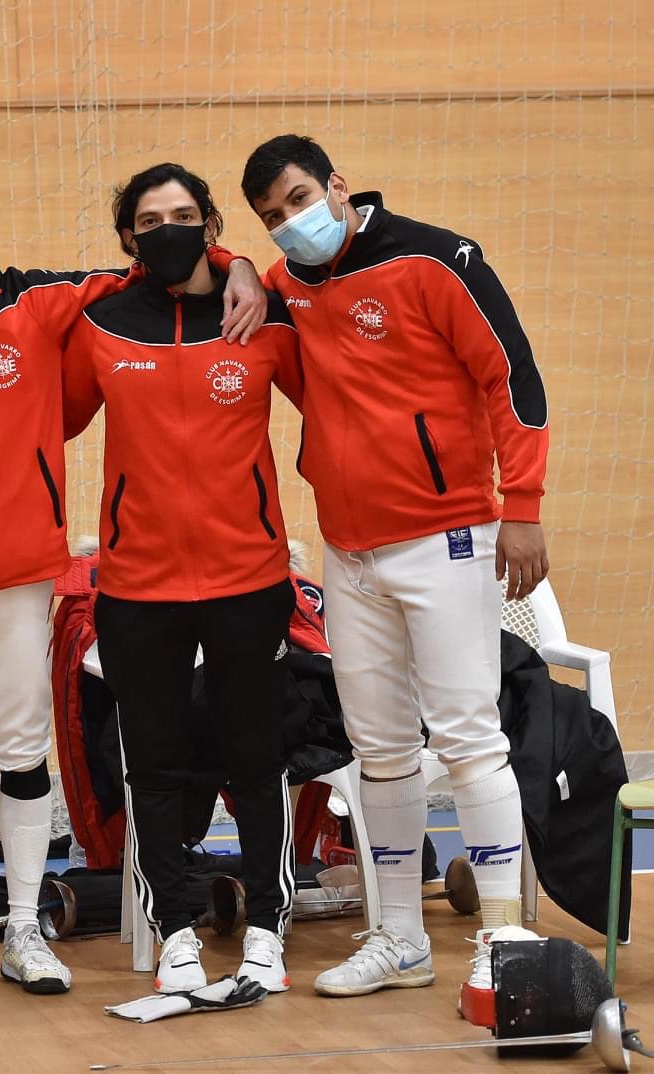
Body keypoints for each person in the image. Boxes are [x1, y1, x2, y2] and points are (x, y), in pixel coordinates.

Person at [0, 155, 269, 1000]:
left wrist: (241, 261)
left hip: (23, 574)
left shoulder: (41, 302)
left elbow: (156, 260)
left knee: (24, 750)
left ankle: (27, 928)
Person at [240, 134, 549, 1014]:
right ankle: (401, 938)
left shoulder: (436, 259)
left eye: (300, 199)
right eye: (272, 216)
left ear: (337, 185)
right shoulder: (290, 286)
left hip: (446, 537)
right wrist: (239, 267)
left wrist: (522, 506)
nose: (290, 222)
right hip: (349, 553)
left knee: (468, 737)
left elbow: (513, 377)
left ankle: (503, 941)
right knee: (377, 751)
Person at [64, 162, 303, 995]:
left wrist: (246, 269)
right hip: (138, 588)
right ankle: (173, 933)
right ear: (129, 239)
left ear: (209, 224)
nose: (168, 230)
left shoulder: (259, 317)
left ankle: (268, 930)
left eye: (183, 215)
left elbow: (337, 401)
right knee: (154, 769)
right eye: (149, 221)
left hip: (249, 581)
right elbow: (50, 419)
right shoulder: (101, 325)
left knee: (255, 763)